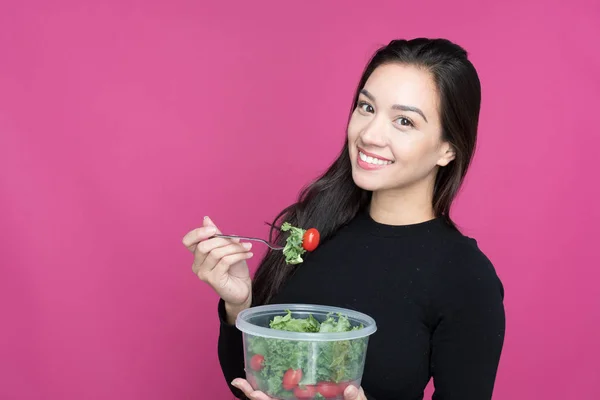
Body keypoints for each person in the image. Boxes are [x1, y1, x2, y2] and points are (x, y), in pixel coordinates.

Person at [183, 38, 506, 400]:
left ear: (448, 148)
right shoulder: (314, 226)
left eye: (404, 121)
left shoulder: (465, 276)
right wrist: (239, 306)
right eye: (366, 107)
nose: (369, 135)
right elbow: (250, 384)